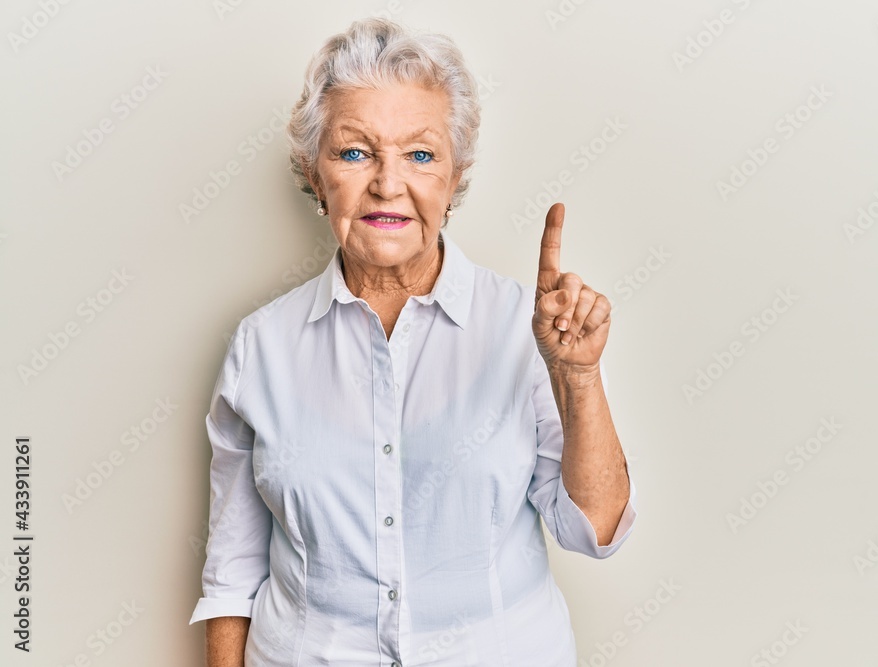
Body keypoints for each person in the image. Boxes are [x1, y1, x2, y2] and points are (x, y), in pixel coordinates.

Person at [188, 17, 637, 667]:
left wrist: (578, 377)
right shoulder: (260, 347)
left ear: (454, 179)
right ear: (316, 177)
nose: (387, 183)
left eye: (420, 154)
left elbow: (594, 530)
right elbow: (231, 575)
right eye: (354, 151)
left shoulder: (526, 326)